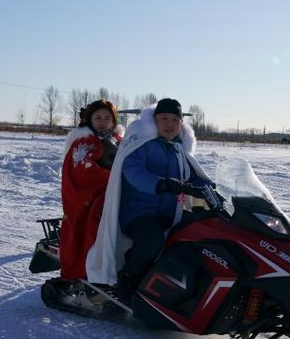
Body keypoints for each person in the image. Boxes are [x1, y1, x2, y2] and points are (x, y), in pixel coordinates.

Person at [85, 98, 212, 299]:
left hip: (170, 214)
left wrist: (213, 190)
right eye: (164, 119)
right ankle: (127, 283)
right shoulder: (142, 144)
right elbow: (133, 170)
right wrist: (160, 183)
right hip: (138, 213)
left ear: (181, 123)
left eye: (174, 120)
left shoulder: (179, 151)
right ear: (154, 120)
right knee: (151, 242)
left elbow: (195, 176)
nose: (169, 124)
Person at [59, 99, 123, 288]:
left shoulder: (119, 141)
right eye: (98, 117)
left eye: (107, 118)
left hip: (116, 193)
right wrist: (115, 179)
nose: (103, 122)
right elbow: (83, 171)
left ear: (114, 120)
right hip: (92, 198)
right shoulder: (85, 141)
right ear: (90, 119)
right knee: (95, 225)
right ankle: (86, 272)